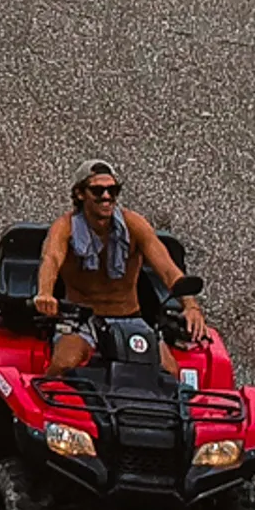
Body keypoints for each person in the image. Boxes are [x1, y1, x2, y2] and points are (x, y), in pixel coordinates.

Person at [31, 159, 210, 372]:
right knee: (63, 364)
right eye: (98, 191)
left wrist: (191, 306)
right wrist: (45, 293)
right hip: (81, 321)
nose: (106, 197)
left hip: (130, 319)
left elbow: (168, 269)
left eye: (113, 190)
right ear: (80, 194)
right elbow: (50, 258)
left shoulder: (135, 224)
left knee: (170, 372)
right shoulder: (64, 227)